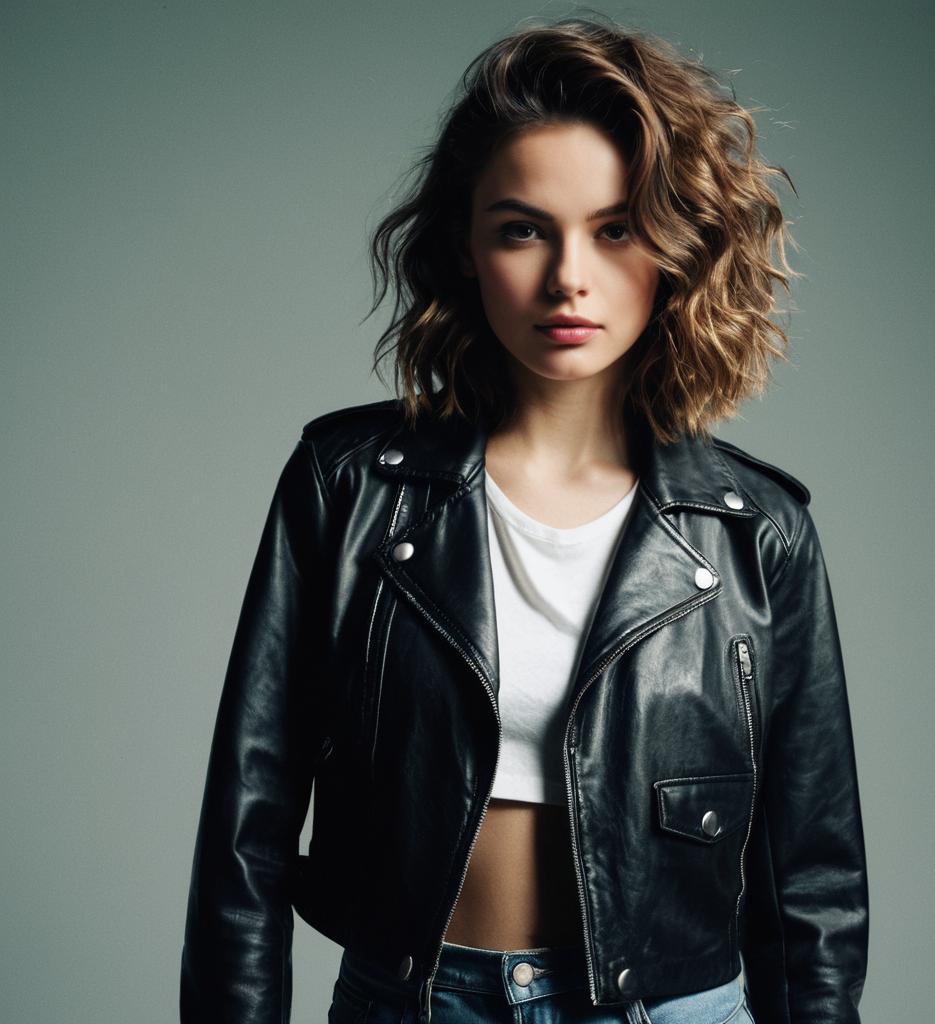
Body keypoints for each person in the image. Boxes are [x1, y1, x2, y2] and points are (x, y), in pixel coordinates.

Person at [180, 14, 868, 1024]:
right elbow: (249, 813)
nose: (567, 278)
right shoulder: (351, 484)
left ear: (678, 249)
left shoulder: (753, 531)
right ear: (465, 246)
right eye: (522, 228)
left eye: (615, 227)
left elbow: (810, 878)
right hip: (416, 1002)